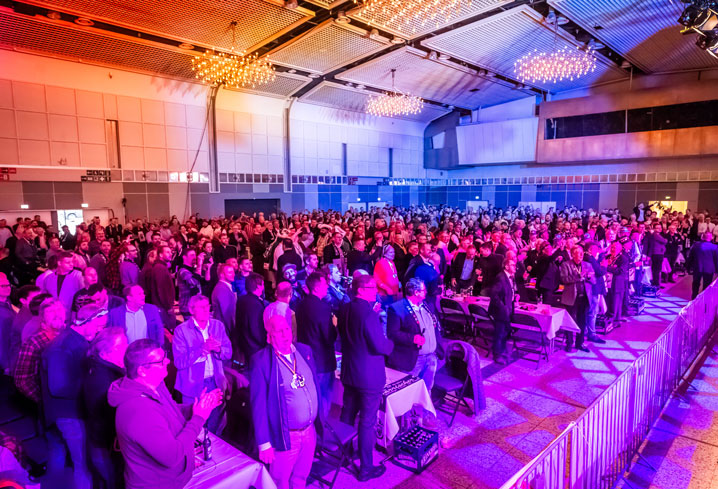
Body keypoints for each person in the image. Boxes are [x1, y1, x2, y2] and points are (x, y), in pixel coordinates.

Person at [108, 339, 222, 489]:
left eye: (165, 356)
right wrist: (199, 417)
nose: (168, 361)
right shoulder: (138, 411)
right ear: (142, 371)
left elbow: (171, 412)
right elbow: (172, 456)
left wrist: (196, 408)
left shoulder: (156, 385)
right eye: (161, 361)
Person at [250, 315, 321, 489]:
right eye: (279, 331)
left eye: (287, 329)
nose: (285, 334)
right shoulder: (262, 361)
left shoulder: (304, 351)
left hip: (309, 431)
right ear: (269, 337)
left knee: (301, 478)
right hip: (285, 436)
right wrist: (264, 443)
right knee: (279, 481)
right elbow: (258, 405)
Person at [42, 304, 107, 489]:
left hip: (67, 414)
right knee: (82, 465)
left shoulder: (77, 340)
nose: (99, 331)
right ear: (87, 321)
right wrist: (92, 382)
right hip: (68, 416)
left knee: (59, 455)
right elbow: (58, 387)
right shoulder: (61, 348)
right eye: (98, 326)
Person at [337, 275, 394, 481]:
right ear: (361, 290)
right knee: (367, 421)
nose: (376, 291)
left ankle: (344, 455)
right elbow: (380, 346)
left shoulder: (345, 308)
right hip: (369, 376)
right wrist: (391, 344)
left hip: (349, 371)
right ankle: (366, 468)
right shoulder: (369, 314)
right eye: (372, 288)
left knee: (347, 414)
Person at [173, 294, 231, 434]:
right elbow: (179, 362)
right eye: (201, 307)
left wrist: (218, 349)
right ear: (191, 310)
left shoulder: (218, 326)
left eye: (207, 306)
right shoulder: (181, 331)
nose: (206, 310)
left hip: (216, 383)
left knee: (215, 428)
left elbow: (228, 353)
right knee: (194, 429)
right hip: (192, 387)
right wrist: (202, 350)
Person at [83, 327, 128, 489]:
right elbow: (113, 416)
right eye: (120, 347)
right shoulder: (104, 380)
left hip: (102, 441)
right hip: (105, 446)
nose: (126, 350)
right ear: (104, 353)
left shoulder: (103, 368)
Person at [295, 272, 336, 419]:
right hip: (322, 360)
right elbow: (328, 337)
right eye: (325, 284)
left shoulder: (300, 305)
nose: (327, 287)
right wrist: (335, 327)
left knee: (310, 395)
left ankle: (312, 423)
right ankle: (321, 426)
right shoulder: (323, 308)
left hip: (305, 358)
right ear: (317, 288)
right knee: (323, 396)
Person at [387, 278, 442, 389]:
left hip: (431, 358)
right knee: (409, 391)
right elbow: (392, 334)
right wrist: (412, 338)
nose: (426, 292)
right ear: (416, 292)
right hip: (414, 359)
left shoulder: (426, 305)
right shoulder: (397, 309)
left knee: (426, 390)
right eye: (423, 290)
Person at [13, 298, 66, 403]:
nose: (57, 314)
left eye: (60, 310)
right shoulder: (33, 343)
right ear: (42, 318)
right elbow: (22, 381)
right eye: (51, 311)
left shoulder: (67, 336)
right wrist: (44, 401)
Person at [559, 246, 596, 353]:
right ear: (572, 254)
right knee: (570, 321)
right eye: (578, 253)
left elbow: (594, 281)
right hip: (571, 297)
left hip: (584, 297)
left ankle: (579, 343)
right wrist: (578, 277)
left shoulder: (587, 265)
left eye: (581, 253)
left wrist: (589, 277)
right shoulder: (566, 265)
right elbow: (564, 279)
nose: (580, 255)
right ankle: (569, 343)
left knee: (582, 321)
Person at [489, 258, 516, 364]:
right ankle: (497, 355)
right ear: (506, 266)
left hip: (508, 309)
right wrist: (503, 307)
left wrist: (514, 296)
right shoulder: (500, 277)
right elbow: (494, 295)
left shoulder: (510, 277)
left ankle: (502, 351)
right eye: (512, 265)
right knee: (499, 333)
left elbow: (508, 291)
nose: (515, 267)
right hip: (500, 310)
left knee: (505, 332)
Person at [235, 272, 267, 362]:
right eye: (263, 284)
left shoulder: (241, 300)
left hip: (244, 345)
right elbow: (255, 329)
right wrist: (264, 343)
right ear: (258, 286)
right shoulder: (255, 304)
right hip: (254, 349)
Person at [147, 245, 176, 330]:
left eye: (170, 252)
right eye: (167, 252)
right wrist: (168, 307)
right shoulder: (160, 268)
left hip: (163, 306)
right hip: (163, 307)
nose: (170, 254)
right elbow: (162, 290)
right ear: (160, 255)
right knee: (169, 330)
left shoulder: (161, 267)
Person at [212, 263, 237, 347]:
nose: (233, 274)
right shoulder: (222, 289)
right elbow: (227, 314)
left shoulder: (225, 287)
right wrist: (233, 332)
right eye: (230, 272)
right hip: (225, 330)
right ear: (222, 275)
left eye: (233, 272)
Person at [686, 232, 718, 299]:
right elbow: (716, 259)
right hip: (709, 269)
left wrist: (688, 267)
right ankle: (704, 299)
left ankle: (694, 298)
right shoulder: (715, 247)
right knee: (707, 285)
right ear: (711, 238)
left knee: (696, 284)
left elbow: (690, 257)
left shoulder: (695, 245)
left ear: (702, 237)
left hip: (697, 267)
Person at [0, 272, 15, 373]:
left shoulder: (7, 302)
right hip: (6, 359)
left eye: (8, 285)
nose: (7, 288)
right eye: (2, 286)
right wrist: (6, 364)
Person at [644, 222, 667, 287]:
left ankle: (657, 283)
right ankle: (656, 284)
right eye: (657, 228)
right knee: (656, 270)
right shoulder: (655, 235)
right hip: (656, 254)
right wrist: (665, 240)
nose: (659, 229)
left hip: (659, 253)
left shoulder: (658, 235)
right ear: (654, 229)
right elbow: (665, 241)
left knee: (658, 270)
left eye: (660, 228)